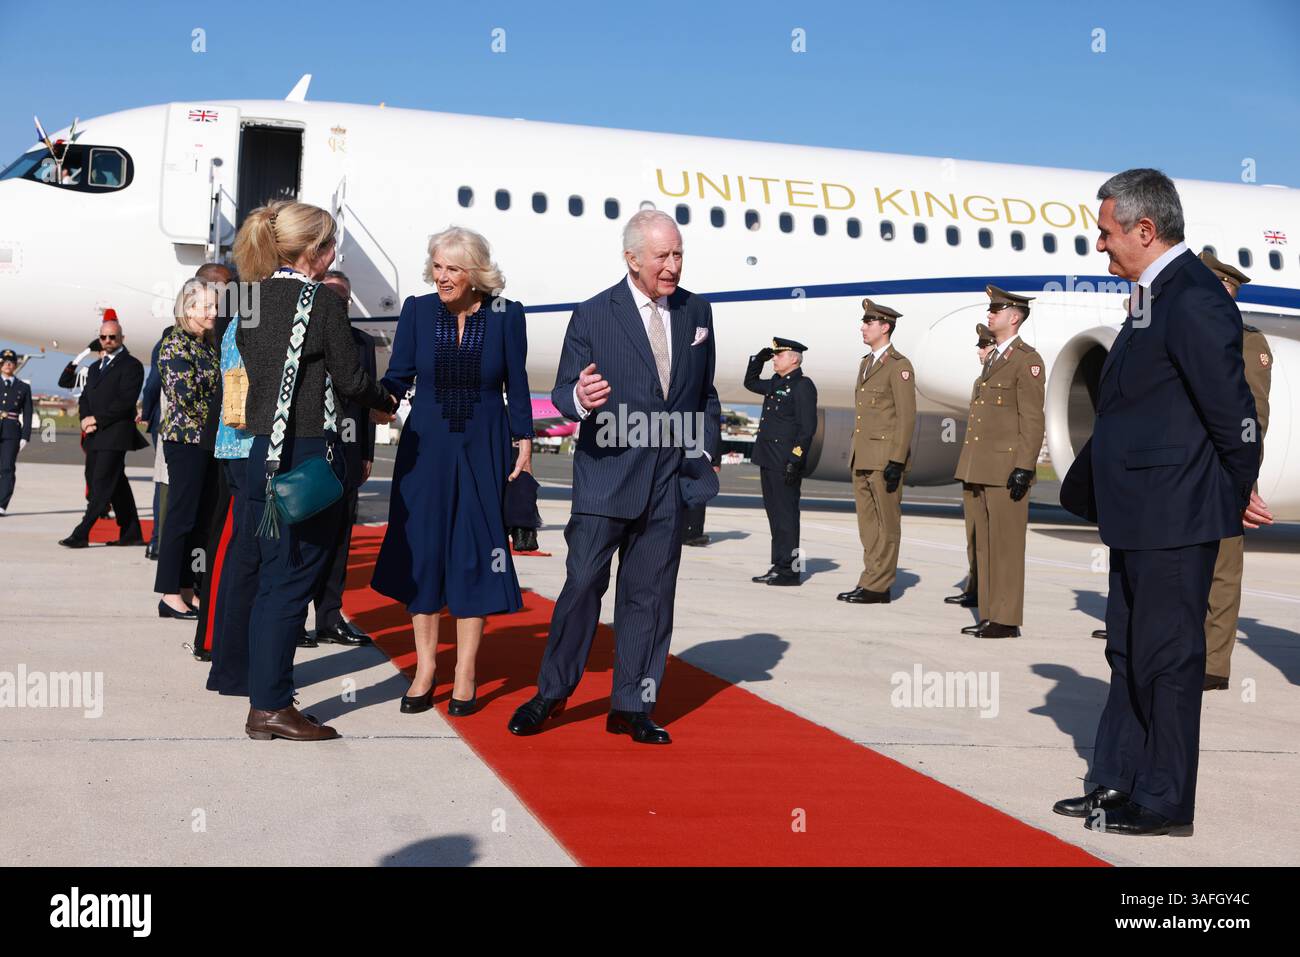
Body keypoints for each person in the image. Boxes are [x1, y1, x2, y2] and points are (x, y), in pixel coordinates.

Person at [1056, 168, 1270, 836]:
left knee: (1168, 660)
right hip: (1140, 513)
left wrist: (1228, 495)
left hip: (1178, 514)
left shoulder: (1194, 298)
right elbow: (1131, 406)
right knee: (1125, 651)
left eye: (1108, 232)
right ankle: (1117, 779)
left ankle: (1165, 798)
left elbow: (1233, 415)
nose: (1101, 245)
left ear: (1145, 230)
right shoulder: (1151, 297)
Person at [507, 209, 721, 744]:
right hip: (607, 478)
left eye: (678, 255)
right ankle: (551, 694)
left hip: (669, 481)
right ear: (632, 258)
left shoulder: (698, 312)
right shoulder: (593, 315)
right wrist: (579, 399)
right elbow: (560, 392)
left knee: (650, 598)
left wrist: (709, 451)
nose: (672, 266)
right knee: (582, 587)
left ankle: (633, 704)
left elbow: (705, 394)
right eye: (662, 257)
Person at [233, 200, 398, 742]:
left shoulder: (250, 300)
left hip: (261, 451)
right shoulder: (321, 303)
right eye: (333, 246)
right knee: (293, 582)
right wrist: (387, 397)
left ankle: (265, 698)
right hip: (305, 456)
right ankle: (272, 706)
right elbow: (352, 382)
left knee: (269, 581)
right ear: (316, 251)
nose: (336, 255)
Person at [372, 230, 532, 714]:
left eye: (453, 269)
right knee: (423, 553)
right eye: (438, 266)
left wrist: (523, 440)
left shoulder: (507, 314)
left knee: (477, 554)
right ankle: (425, 668)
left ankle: (465, 672)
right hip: (426, 447)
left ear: (476, 274)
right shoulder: (418, 310)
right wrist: (370, 402)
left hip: (484, 443)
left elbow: (517, 382)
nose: (442, 276)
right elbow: (398, 376)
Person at [951, 285, 1045, 638]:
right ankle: (990, 614)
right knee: (986, 544)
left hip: (1006, 467)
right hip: (981, 465)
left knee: (1006, 545)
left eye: (997, 310)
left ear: (1014, 317)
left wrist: (1024, 465)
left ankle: (1006, 619)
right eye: (990, 309)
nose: (989, 314)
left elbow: (1032, 418)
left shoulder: (1027, 360)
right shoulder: (994, 359)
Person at [1199, 250, 1272, 690]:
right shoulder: (1186, 336)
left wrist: (1242, 480)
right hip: (1183, 471)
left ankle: (1212, 665)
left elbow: (1253, 418)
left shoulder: (1248, 342)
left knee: (1222, 573)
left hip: (1229, 472)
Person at [311, 269, 378, 647]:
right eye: (330, 296)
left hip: (349, 452)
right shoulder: (303, 336)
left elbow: (366, 403)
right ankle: (294, 620)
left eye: (343, 299)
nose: (338, 303)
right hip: (310, 447)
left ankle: (329, 617)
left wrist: (366, 452)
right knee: (304, 538)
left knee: (339, 540)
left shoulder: (363, 343)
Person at [838, 299, 916, 604]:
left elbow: (906, 416)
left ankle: (879, 585)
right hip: (863, 456)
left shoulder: (899, 366)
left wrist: (897, 459)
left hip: (885, 459)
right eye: (864, 322)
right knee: (868, 526)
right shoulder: (866, 363)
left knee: (886, 524)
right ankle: (870, 578)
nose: (863, 327)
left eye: (868, 323)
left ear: (885, 327)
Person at [153, 279, 222, 620]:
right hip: (186, 442)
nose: (214, 312)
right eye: (207, 306)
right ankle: (168, 593)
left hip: (208, 442)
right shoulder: (175, 345)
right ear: (189, 309)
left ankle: (187, 588)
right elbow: (188, 398)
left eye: (215, 305)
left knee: (201, 521)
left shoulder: (207, 345)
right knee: (181, 517)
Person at [59, 317, 147, 547]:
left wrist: (96, 418)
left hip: (116, 434)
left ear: (121, 338)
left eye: (112, 337)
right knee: (117, 484)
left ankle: (81, 533)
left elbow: (125, 401)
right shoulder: (96, 367)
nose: (107, 341)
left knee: (101, 484)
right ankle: (131, 533)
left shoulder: (132, 366)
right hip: (95, 435)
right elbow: (86, 396)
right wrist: (84, 420)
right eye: (103, 337)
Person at [744, 338, 817, 584]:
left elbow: (807, 429)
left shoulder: (803, 386)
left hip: (785, 461)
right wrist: (758, 359)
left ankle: (791, 570)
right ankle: (779, 565)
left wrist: (795, 460)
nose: (775, 359)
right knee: (775, 516)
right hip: (768, 458)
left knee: (787, 517)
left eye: (780, 355)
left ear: (794, 359)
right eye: (774, 355)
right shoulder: (777, 382)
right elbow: (750, 382)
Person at [945, 323, 996, 608]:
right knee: (973, 533)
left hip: (993, 468)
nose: (979, 351)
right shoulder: (981, 382)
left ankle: (988, 592)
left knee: (990, 536)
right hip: (974, 467)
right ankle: (975, 586)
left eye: (984, 345)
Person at [0, 349, 33, 516]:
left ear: (15, 364)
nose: (7, 364)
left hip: (11, 432)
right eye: (4, 361)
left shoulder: (23, 387)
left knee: (6, 468)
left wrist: (25, 436)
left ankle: (2, 504)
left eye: (11, 361)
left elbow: (28, 413)